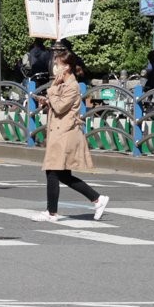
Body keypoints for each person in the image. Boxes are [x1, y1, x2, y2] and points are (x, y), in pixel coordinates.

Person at [31, 50, 109, 222]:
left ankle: (52, 213)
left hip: (65, 134)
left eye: (57, 64)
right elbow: (58, 105)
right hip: (59, 132)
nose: (55, 67)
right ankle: (97, 199)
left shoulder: (72, 86)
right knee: (62, 175)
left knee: (53, 172)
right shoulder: (63, 85)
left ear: (66, 67)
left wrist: (51, 92)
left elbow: (60, 108)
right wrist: (46, 101)